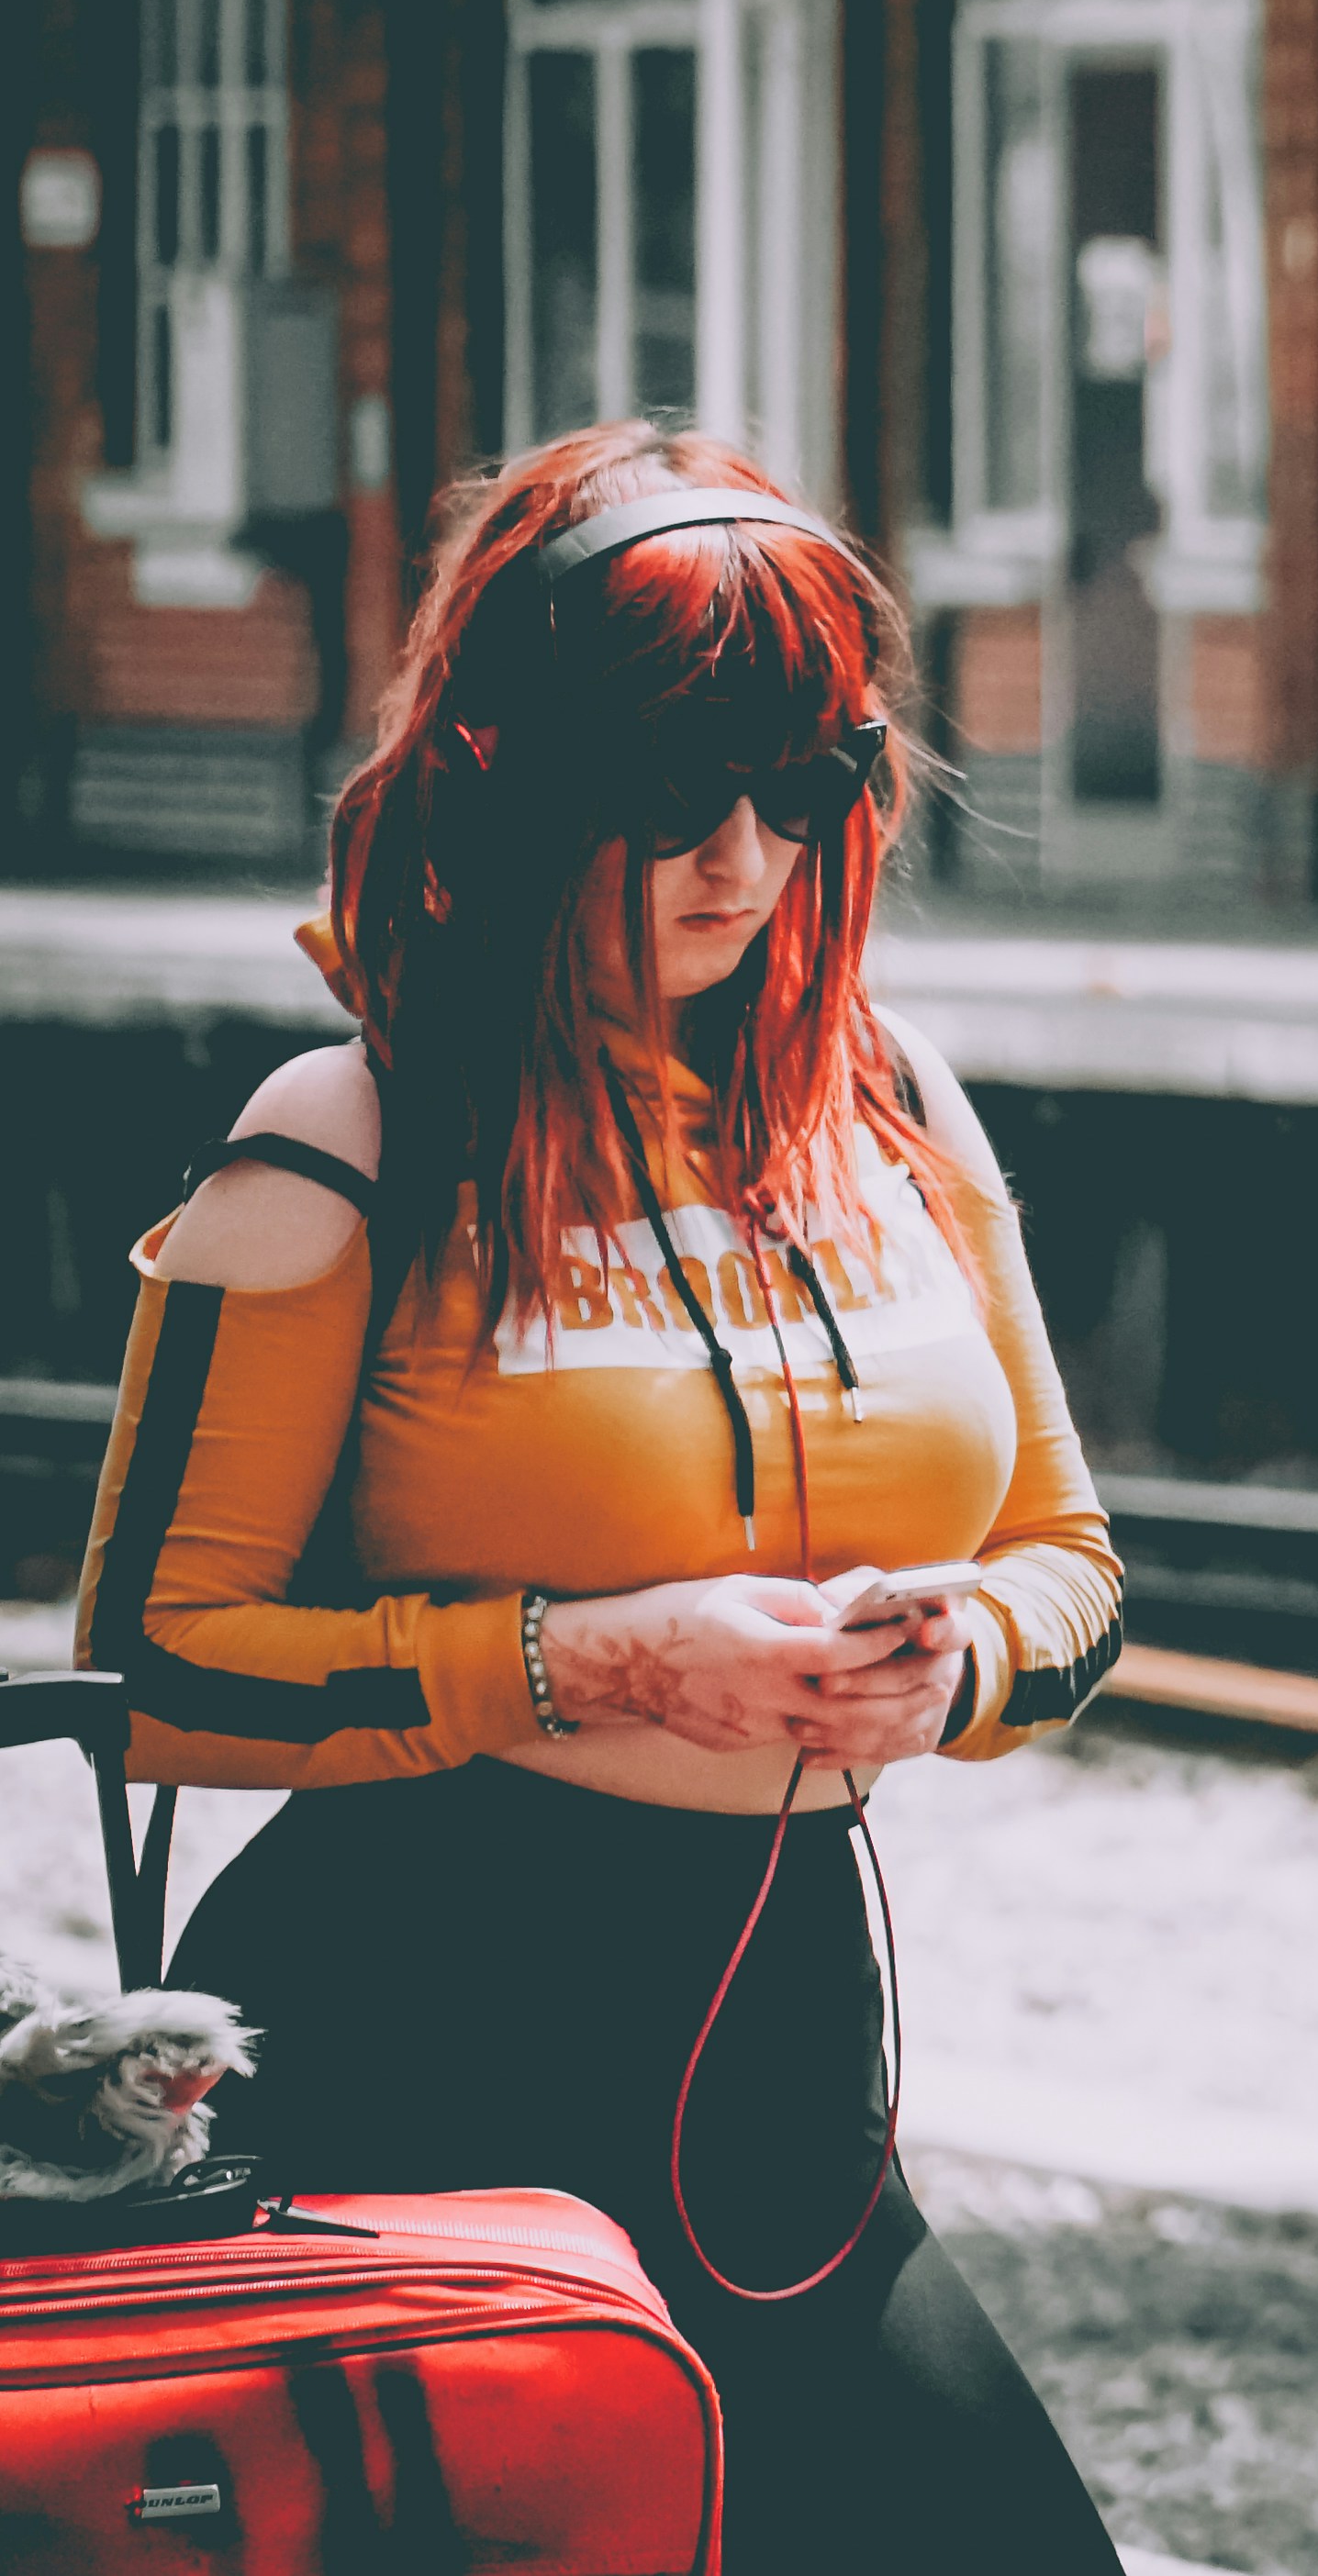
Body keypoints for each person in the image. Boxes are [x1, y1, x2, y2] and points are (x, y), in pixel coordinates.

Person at [72, 422, 1127, 2574]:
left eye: (798, 782)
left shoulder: (894, 1105)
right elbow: (156, 1668)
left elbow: (1077, 1562)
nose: (737, 856)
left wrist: (966, 1654)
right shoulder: (351, 1130)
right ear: (517, 777)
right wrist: (583, 1654)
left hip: (786, 2057)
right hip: (410, 2042)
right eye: (667, 795)